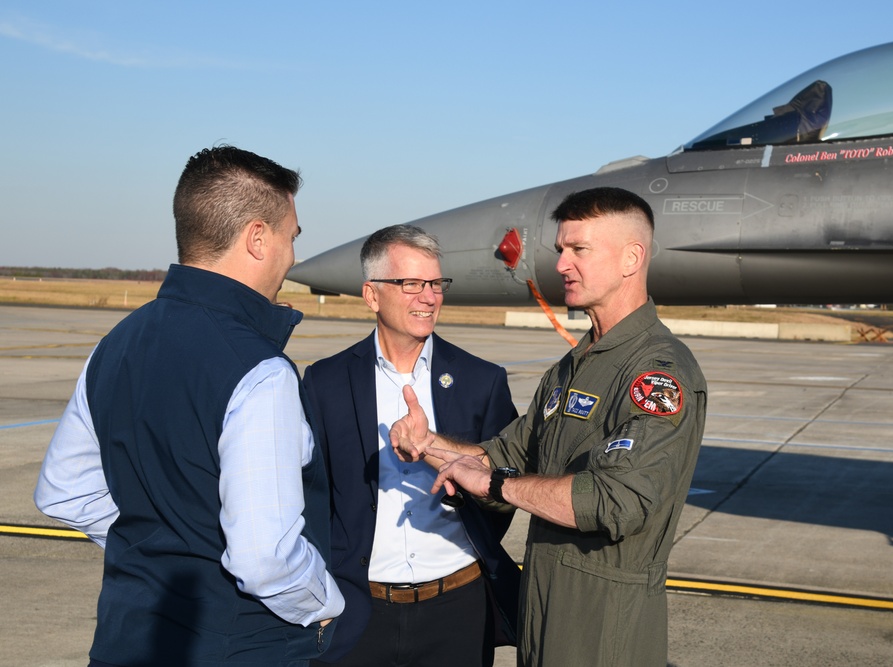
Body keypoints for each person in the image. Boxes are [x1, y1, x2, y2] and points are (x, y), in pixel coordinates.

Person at [34, 146, 344, 667]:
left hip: (124, 640)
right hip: (236, 645)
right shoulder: (259, 370)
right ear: (258, 238)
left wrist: (159, 549)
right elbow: (264, 557)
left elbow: (66, 491)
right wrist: (323, 605)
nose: (292, 256)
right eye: (292, 237)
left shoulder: (117, 342)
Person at [391, 187, 708, 666]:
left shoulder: (657, 374)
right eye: (561, 249)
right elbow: (504, 458)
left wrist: (496, 482)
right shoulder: (571, 366)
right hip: (542, 623)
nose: (561, 264)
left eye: (579, 249)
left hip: (605, 634)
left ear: (631, 258)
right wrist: (429, 444)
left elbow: (618, 501)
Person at [302, 224, 520, 666]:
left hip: (457, 609)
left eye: (436, 284)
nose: (429, 297)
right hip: (357, 612)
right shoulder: (325, 382)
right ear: (371, 295)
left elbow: (506, 486)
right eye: (411, 284)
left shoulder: (482, 381)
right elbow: (310, 495)